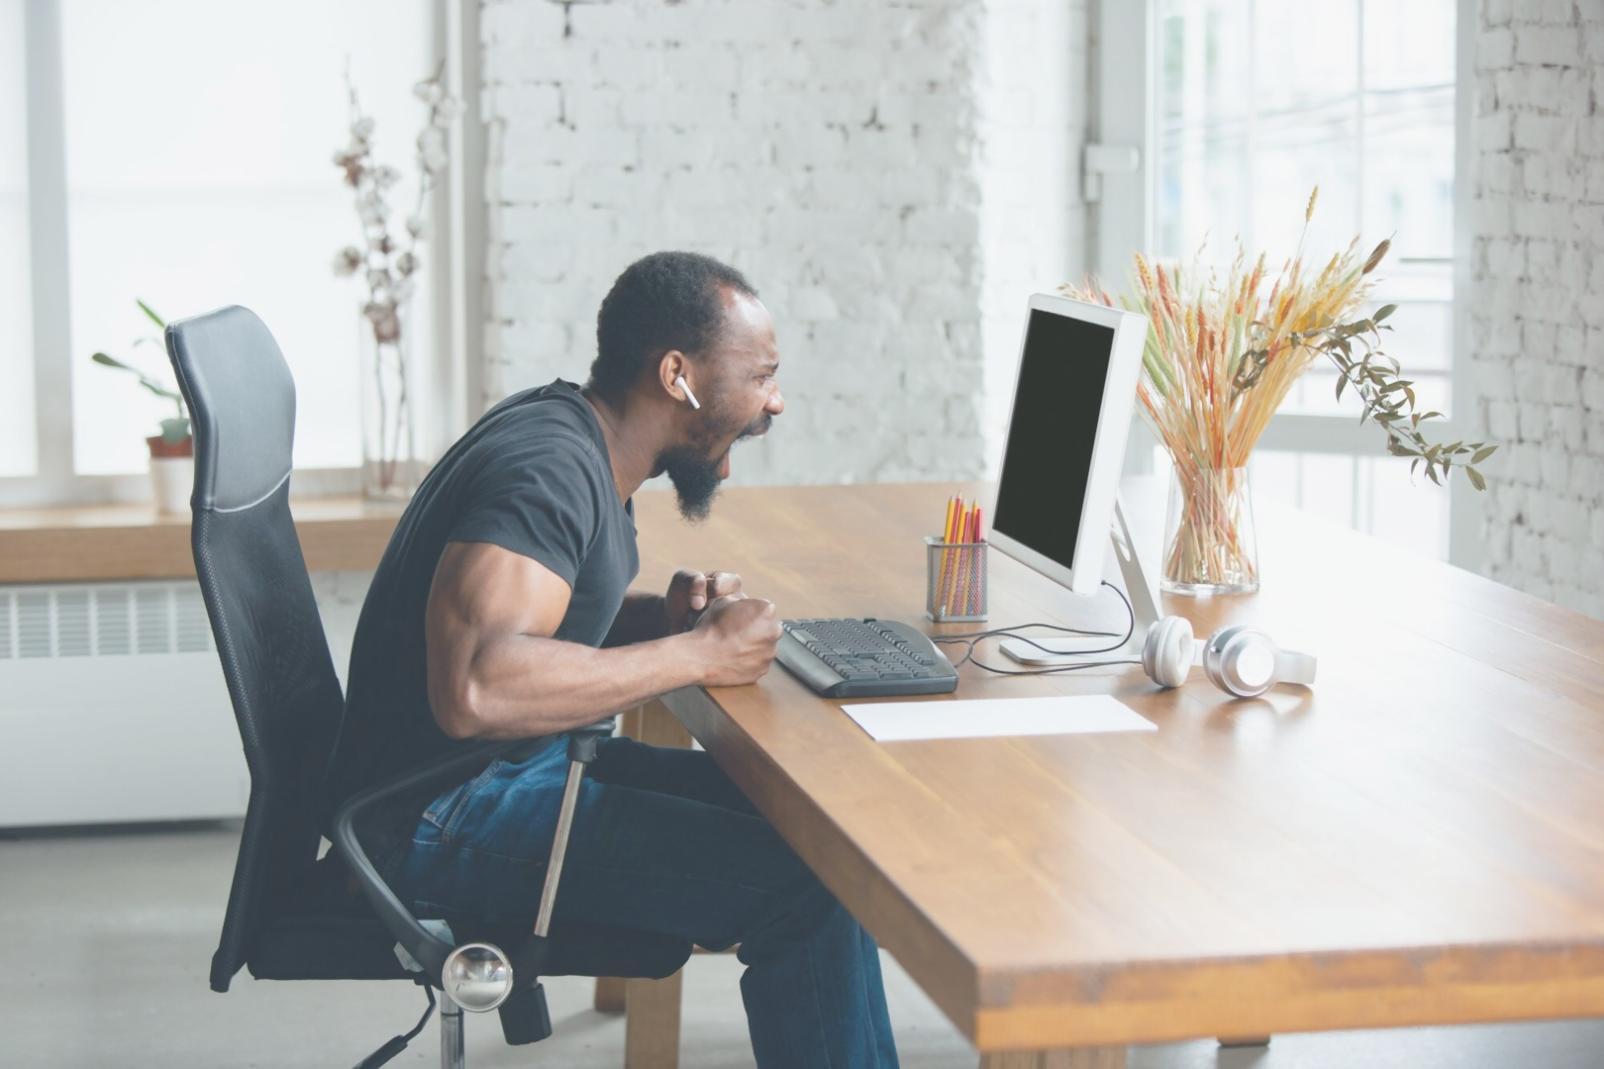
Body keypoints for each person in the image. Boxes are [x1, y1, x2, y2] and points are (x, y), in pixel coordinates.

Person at [326, 250, 899, 1067]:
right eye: (760, 374)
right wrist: (695, 652)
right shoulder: (550, 470)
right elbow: (477, 687)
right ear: (679, 375)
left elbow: (532, 631)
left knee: (823, 839)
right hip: (432, 814)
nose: (777, 400)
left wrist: (655, 621)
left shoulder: (576, 437)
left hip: (488, 779)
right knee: (807, 885)